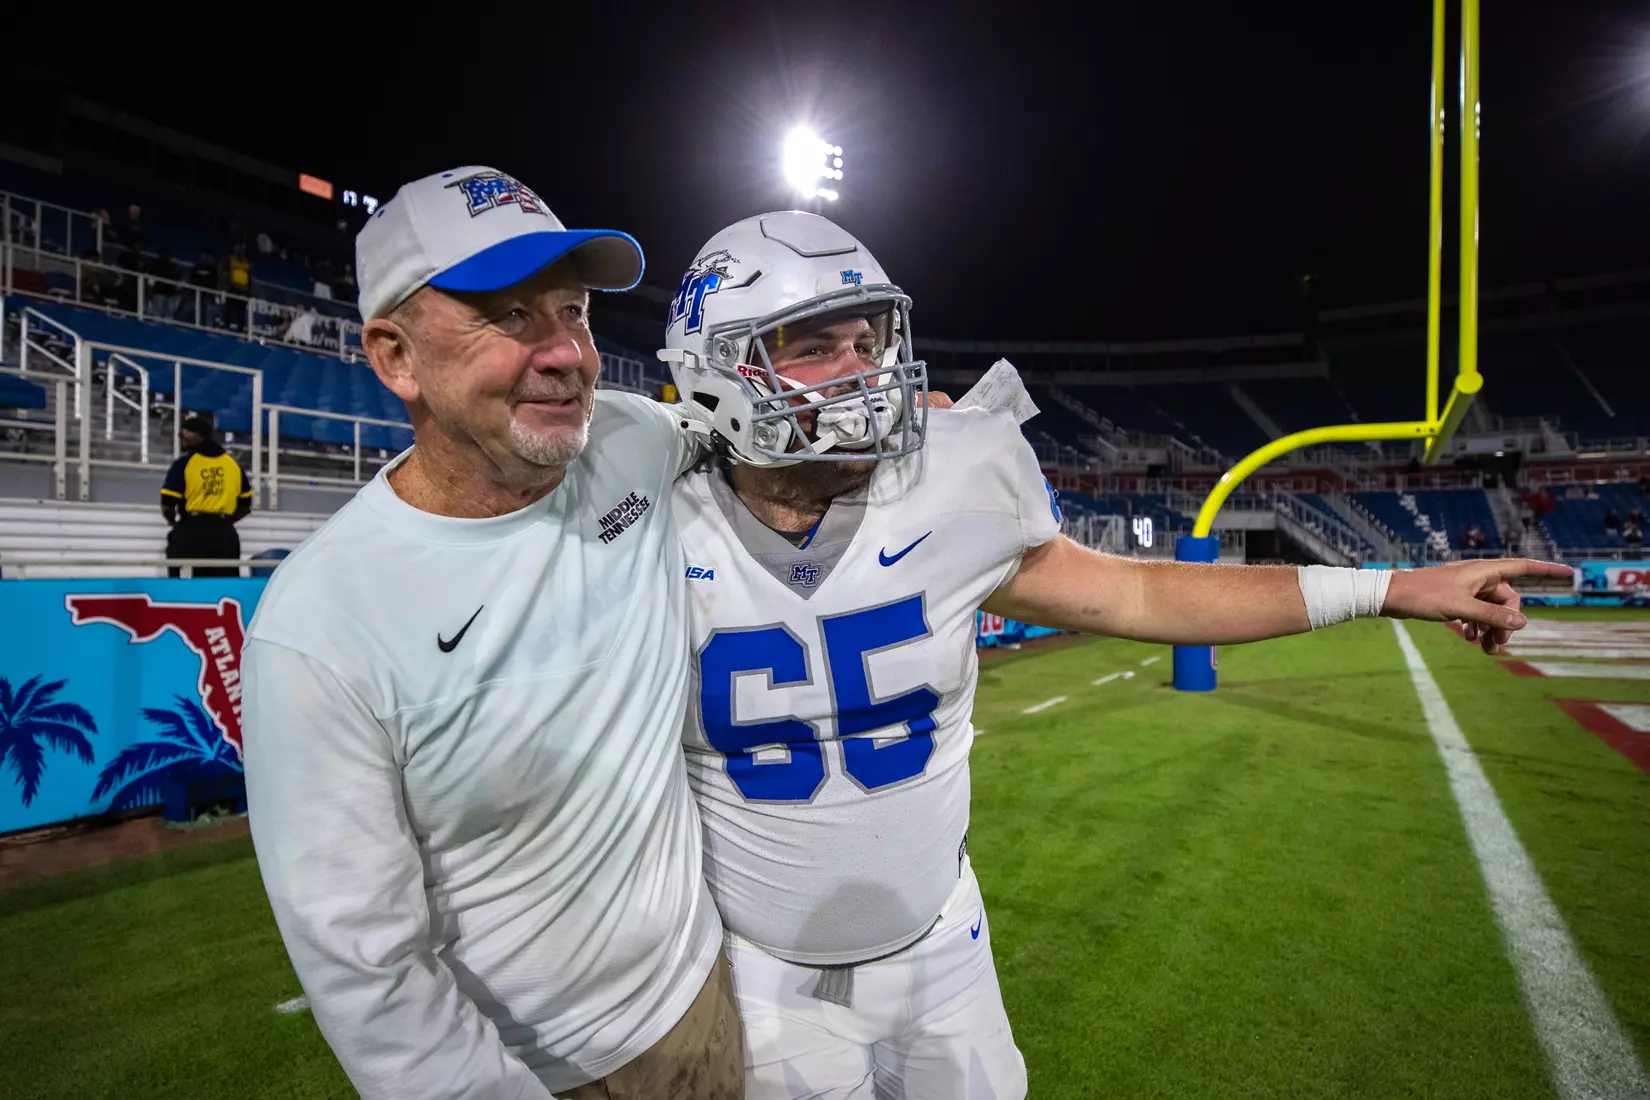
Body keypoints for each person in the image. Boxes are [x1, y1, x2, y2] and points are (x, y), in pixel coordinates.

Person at [660, 211, 1570, 1100]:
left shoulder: (957, 479)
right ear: (717, 371)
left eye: (868, 342)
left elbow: (1139, 591)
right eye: (816, 347)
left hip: (943, 946)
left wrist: (1393, 588)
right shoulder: (641, 521)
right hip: (760, 973)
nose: (862, 374)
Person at [242, 166, 740, 1100]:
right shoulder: (322, 624)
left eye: (575, 311)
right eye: (509, 316)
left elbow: (747, 434)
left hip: (701, 1000)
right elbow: (369, 970)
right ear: (396, 358)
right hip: (536, 1073)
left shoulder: (629, 439)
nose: (567, 354)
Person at [161, 415, 251, 577]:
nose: (181, 438)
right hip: (225, 535)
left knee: (186, 587)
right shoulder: (233, 465)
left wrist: (174, 523)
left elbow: (167, 504)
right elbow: (245, 505)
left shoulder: (184, 464)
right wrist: (224, 522)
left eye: (184, 433)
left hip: (192, 532)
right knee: (225, 586)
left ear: (198, 435)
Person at [221, 242, 253, 332]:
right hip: (232, 288)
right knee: (229, 308)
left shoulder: (247, 263)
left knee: (241, 311)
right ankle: (226, 326)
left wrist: (249, 291)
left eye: (241, 249)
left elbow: (250, 278)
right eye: (238, 249)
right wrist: (225, 285)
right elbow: (224, 273)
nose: (240, 251)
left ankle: (240, 330)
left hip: (243, 290)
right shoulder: (230, 260)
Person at [147, 244, 181, 321]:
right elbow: (151, 280)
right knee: (160, 313)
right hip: (161, 292)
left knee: (165, 314)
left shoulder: (173, 266)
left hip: (168, 293)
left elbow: (177, 280)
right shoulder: (156, 264)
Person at [189, 249, 219, 327]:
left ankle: (208, 329)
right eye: (204, 255)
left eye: (207, 256)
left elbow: (216, 282)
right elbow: (192, 280)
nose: (206, 257)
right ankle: (196, 326)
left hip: (208, 295)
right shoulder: (196, 268)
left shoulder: (213, 269)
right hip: (197, 295)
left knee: (208, 313)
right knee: (197, 312)